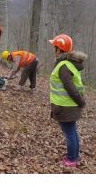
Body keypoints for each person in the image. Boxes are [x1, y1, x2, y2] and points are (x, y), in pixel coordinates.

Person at [48, 34, 86, 167]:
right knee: (72, 131)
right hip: (70, 105)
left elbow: (70, 88)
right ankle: (74, 156)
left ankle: (71, 159)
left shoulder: (63, 65)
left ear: (59, 50)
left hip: (66, 107)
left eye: (55, 48)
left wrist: (81, 102)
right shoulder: (69, 64)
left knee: (70, 132)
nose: (54, 50)